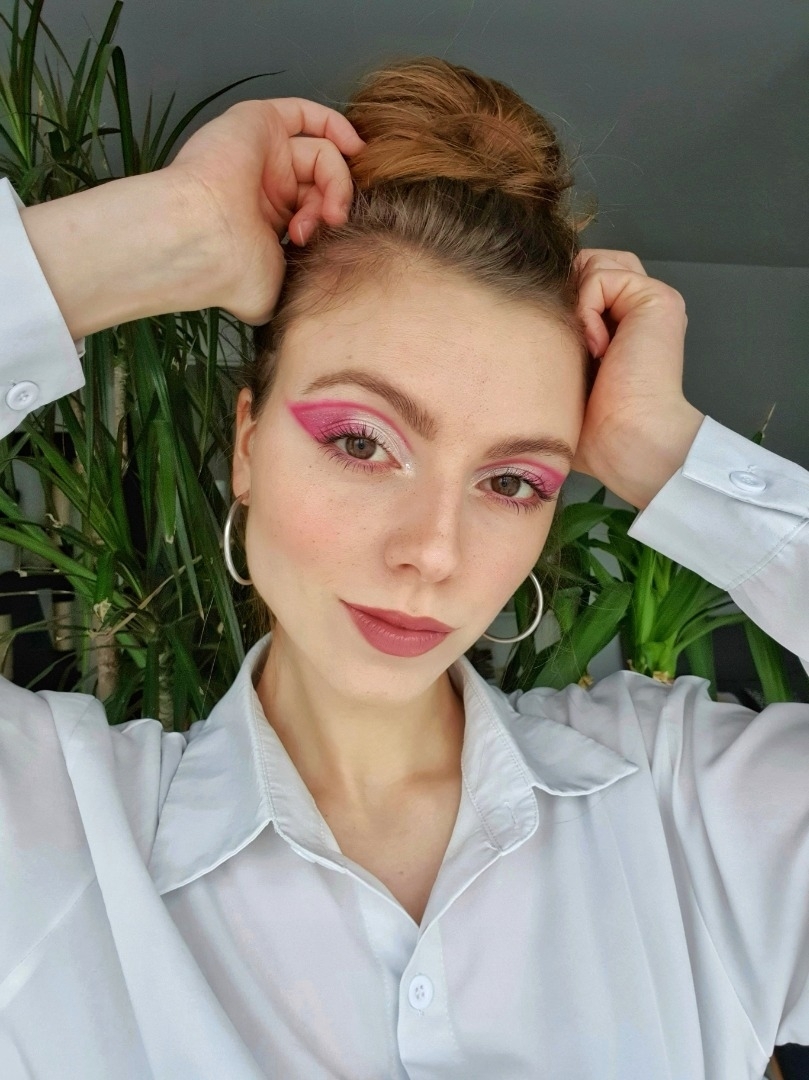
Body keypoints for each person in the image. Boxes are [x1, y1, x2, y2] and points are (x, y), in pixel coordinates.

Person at [0, 55, 806, 1080]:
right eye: (360, 442)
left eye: (511, 481)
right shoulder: (48, 834)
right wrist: (163, 233)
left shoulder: (694, 811)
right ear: (246, 444)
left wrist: (668, 452)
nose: (432, 549)